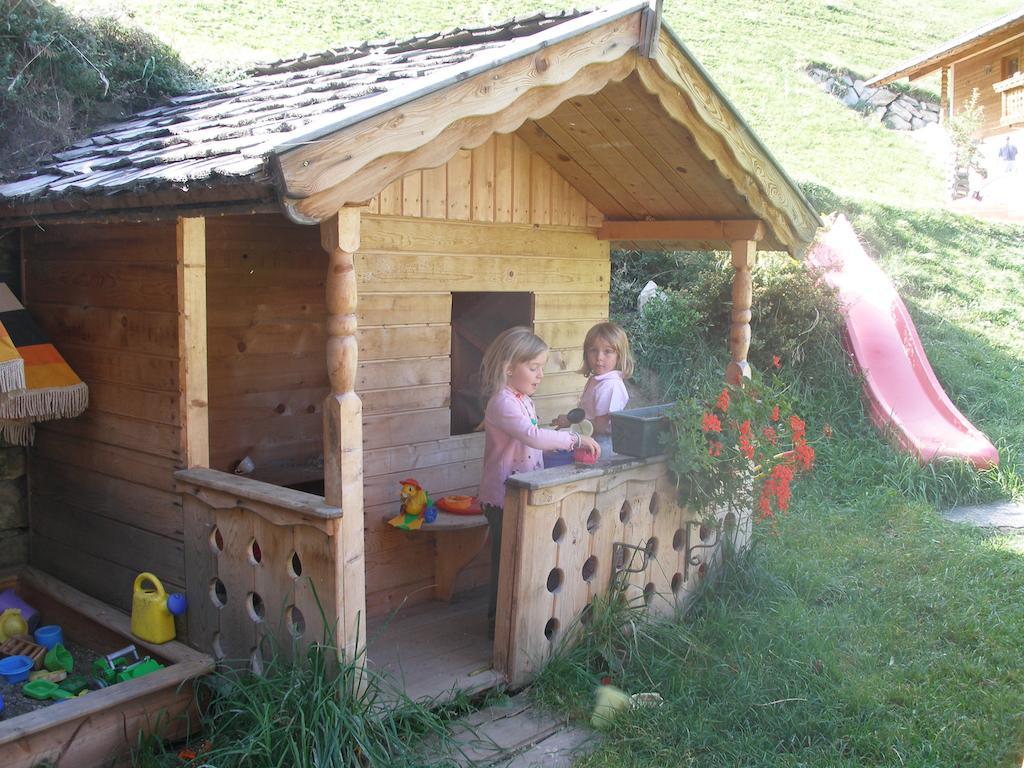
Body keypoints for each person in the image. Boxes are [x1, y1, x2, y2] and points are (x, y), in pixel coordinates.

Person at [478, 326, 600, 636]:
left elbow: (532, 437)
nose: (540, 374)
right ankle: (498, 627)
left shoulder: (523, 400)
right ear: (508, 368)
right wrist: (573, 439)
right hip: (503, 497)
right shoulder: (503, 401)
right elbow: (531, 436)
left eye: (542, 368)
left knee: (523, 560)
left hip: (521, 493)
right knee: (507, 564)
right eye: (533, 368)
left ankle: (518, 622)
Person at [555, 321, 634, 454]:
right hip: (590, 438)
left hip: (603, 444)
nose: (599, 357)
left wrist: (571, 421)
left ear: (619, 356)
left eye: (607, 352)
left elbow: (601, 426)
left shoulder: (610, 385)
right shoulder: (597, 380)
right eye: (593, 350)